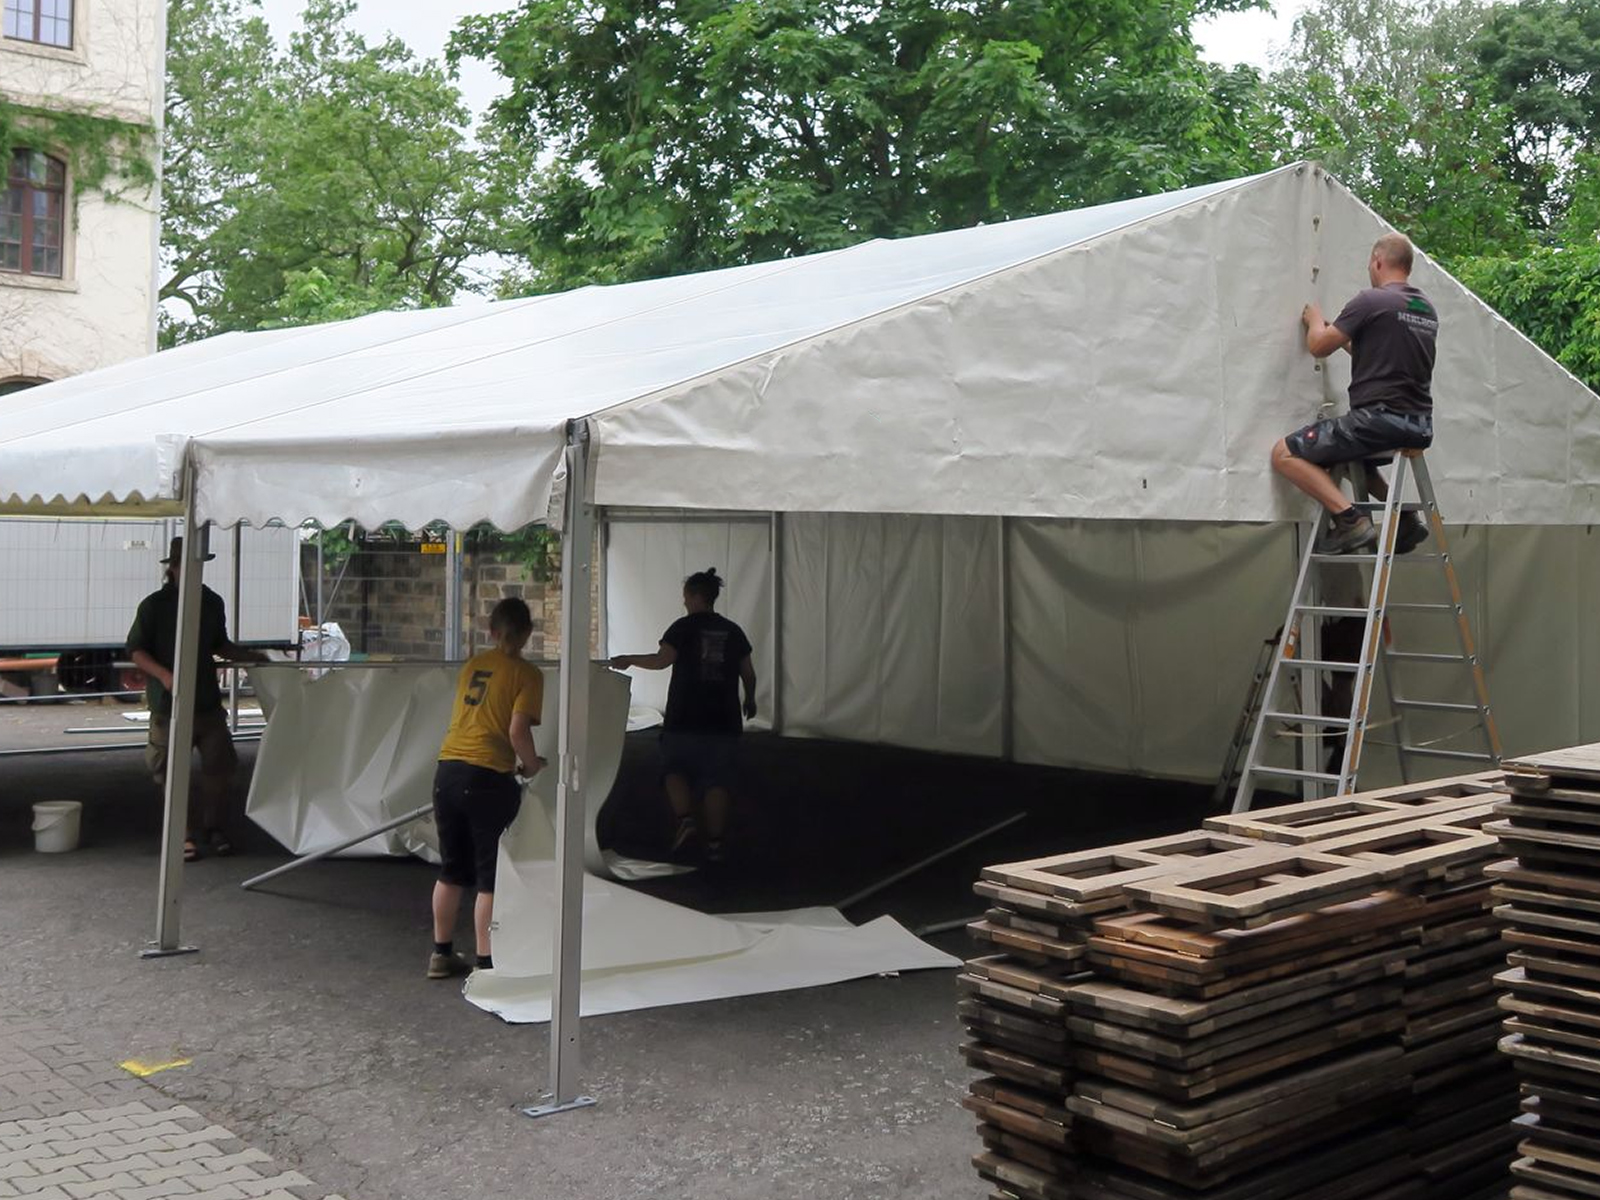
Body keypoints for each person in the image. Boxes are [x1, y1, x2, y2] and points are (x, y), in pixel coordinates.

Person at [1270, 232, 1438, 555]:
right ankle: (1404, 517)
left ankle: (1350, 520)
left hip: (1377, 422)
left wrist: (1315, 322)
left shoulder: (1371, 301)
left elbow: (1318, 346)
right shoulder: (1424, 308)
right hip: (1418, 425)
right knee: (1355, 459)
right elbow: (1377, 355)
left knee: (1284, 453)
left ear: (1377, 261)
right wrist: (1346, 333)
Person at [127, 536, 269, 862]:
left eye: (198, 565)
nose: (194, 570)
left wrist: (250, 656)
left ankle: (213, 827)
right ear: (174, 568)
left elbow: (219, 643)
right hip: (168, 707)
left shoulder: (211, 602)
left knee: (220, 769)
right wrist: (164, 676)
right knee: (171, 774)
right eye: (187, 564)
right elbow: (136, 650)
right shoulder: (153, 606)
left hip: (206, 705)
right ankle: (184, 835)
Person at [428, 597, 545, 980]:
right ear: (528, 633)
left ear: (491, 631)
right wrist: (531, 765)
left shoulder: (474, 665)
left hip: (448, 770)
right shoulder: (527, 674)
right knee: (488, 875)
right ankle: (486, 962)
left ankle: (441, 952)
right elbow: (516, 729)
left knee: (451, 870)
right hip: (487, 777)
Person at [609, 568, 757, 864]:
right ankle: (715, 844)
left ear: (692, 596)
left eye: (686, 597)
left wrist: (628, 660)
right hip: (724, 720)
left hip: (684, 717)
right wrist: (750, 699)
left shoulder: (681, 628)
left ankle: (686, 819)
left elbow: (661, 661)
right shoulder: (734, 631)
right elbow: (748, 673)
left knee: (674, 769)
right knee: (718, 780)